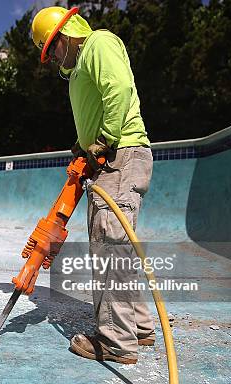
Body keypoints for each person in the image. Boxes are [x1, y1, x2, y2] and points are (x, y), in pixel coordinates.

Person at [31, 6, 154, 364]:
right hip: (113, 156)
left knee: (110, 246)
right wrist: (84, 144)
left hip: (119, 156)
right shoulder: (83, 61)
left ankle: (116, 340)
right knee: (119, 246)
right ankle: (139, 327)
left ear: (65, 35)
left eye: (52, 48)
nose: (53, 57)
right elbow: (99, 103)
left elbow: (117, 89)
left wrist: (103, 139)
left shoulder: (98, 42)